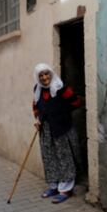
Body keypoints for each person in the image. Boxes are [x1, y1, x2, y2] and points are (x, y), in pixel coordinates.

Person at [32, 63, 81, 204]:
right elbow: (36, 106)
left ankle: (65, 189)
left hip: (62, 128)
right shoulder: (37, 89)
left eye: (46, 74)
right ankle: (54, 186)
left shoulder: (61, 88)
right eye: (41, 75)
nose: (44, 77)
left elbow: (76, 102)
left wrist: (62, 112)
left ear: (51, 74)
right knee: (49, 157)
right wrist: (38, 119)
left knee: (64, 157)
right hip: (46, 130)